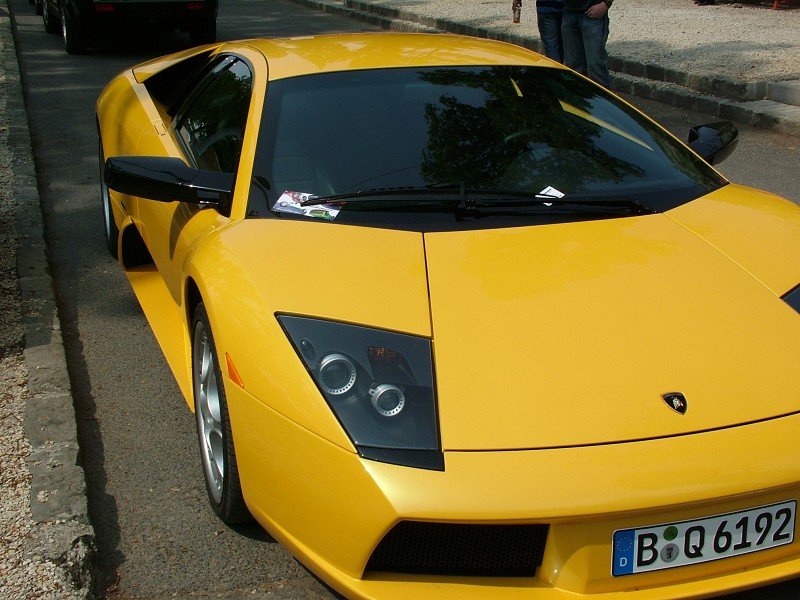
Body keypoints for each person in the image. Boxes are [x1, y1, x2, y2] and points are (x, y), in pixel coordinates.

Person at [562, 0, 613, 87]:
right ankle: (579, 99)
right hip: (569, 12)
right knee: (573, 69)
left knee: (596, 67)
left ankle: (603, 100)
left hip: (594, 13)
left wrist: (606, 4)